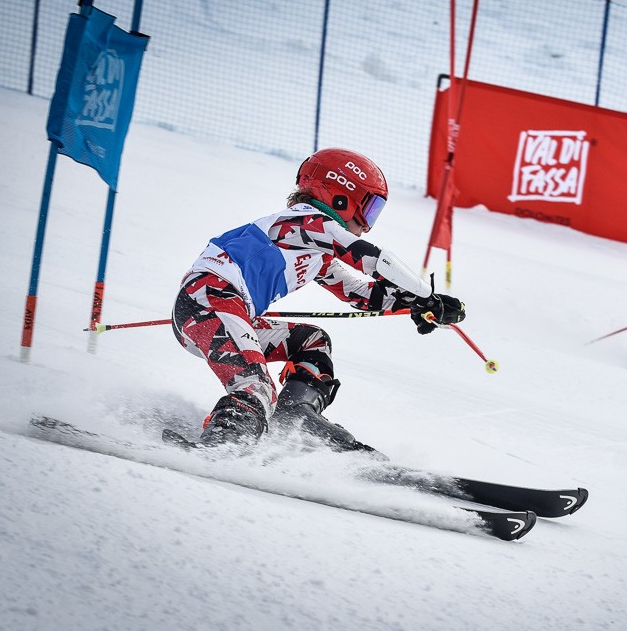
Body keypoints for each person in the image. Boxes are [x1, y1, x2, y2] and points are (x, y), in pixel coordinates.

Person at [171, 147, 465, 448]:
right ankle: (219, 448)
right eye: (369, 208)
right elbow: (370, 258)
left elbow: (360, 294)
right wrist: (424, 294)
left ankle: (294, 415)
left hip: (221, 312)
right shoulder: (307, 222)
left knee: (313, 341)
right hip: (208, 302)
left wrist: (415, 304)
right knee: (257, 387)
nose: (367, 224)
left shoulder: (316, 249)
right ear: (341, 197)